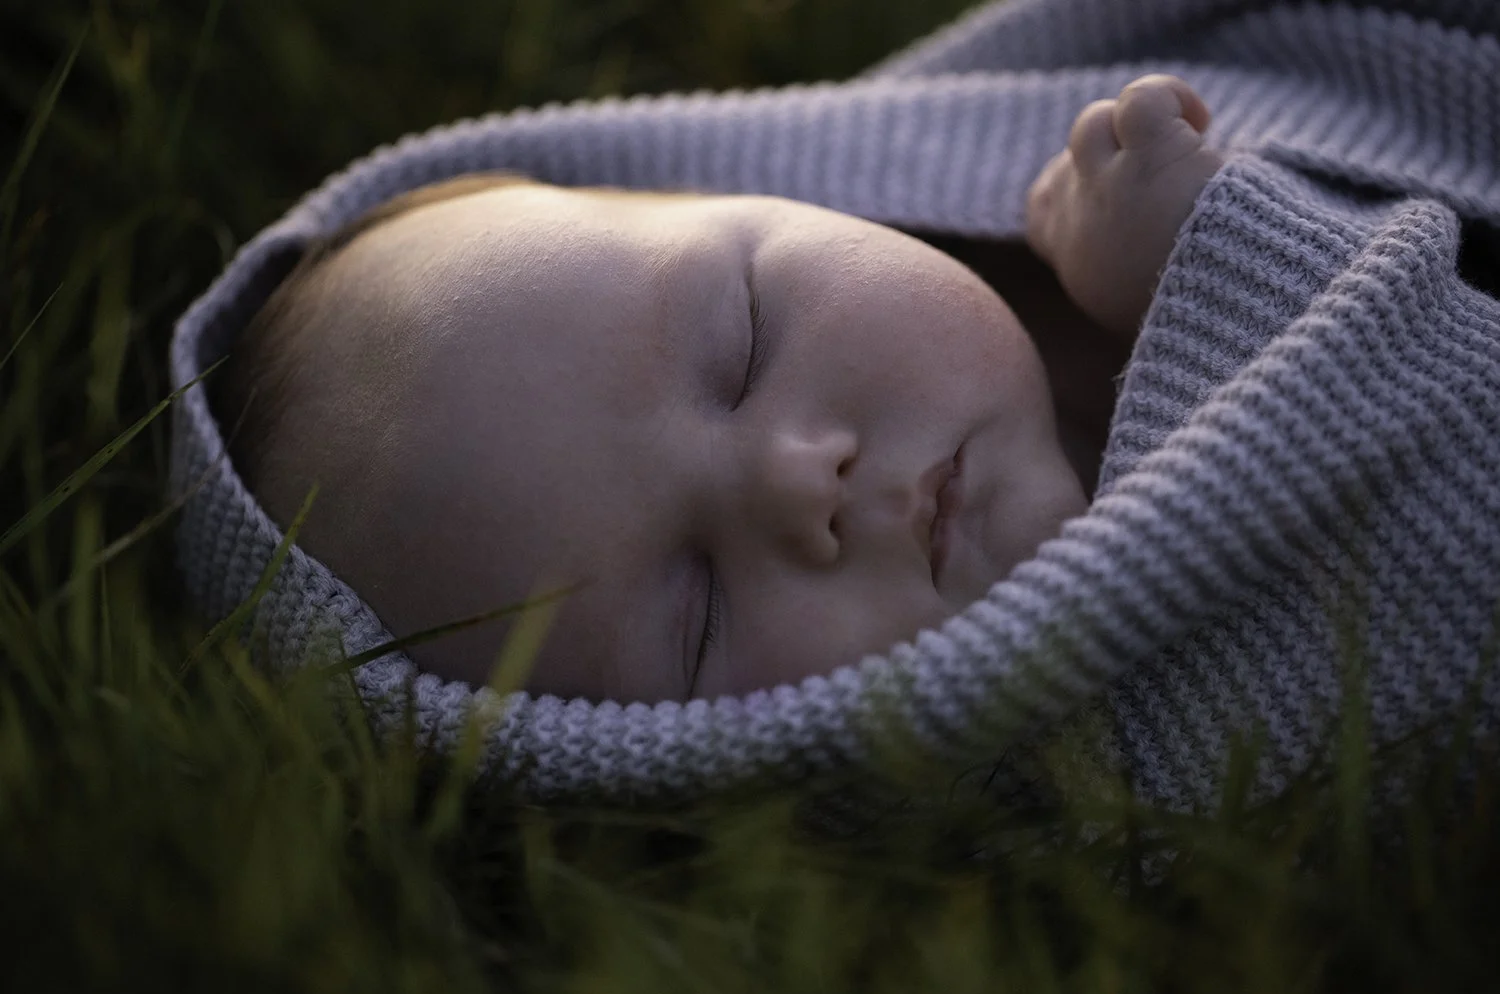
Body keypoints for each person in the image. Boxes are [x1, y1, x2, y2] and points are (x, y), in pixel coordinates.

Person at [211, 75, 1221, 704]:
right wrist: (1211, 263)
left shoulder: (1105, 155)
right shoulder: (1155, 756)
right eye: (698, 617)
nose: (800, 483)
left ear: (788, 190)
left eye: (744, 344)